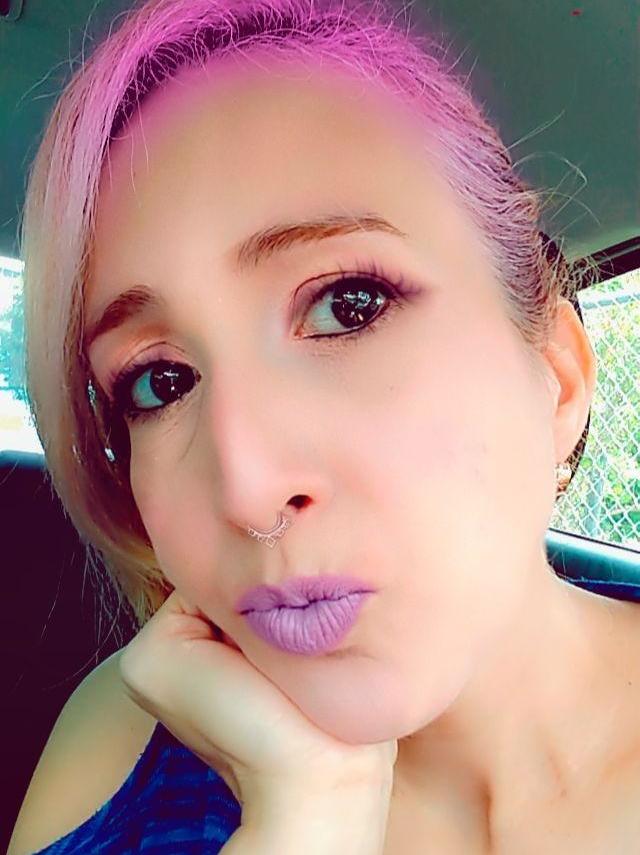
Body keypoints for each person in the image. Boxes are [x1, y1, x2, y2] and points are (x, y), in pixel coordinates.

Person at [10, 0, 640, 853]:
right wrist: (305, 822)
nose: (248, 488)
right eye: (160, 382)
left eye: (350, 305)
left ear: (556, 379)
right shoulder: (111, 748)